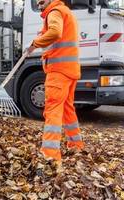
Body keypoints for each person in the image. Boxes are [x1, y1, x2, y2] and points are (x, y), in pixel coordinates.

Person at [27, 0, 85, 166]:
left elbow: (55, 32)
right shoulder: (65, 12)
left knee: (52, 110)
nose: (39, 3)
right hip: (70, 71)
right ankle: (76, 145)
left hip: (58, 71)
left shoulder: (55, 11)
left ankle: (50, 154)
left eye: (42, 0)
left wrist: (34, 44)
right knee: (67, 109)